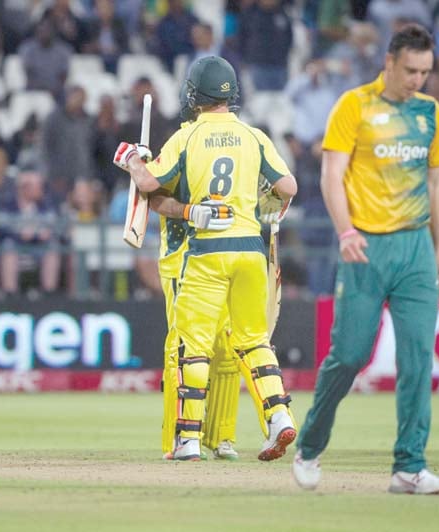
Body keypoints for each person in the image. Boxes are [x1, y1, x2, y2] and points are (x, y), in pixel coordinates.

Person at [113, 55, 298, 462]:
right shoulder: (254, 135)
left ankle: (190, 440)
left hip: (207, 251)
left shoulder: (188, 136)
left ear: (195, 94)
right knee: (253, 340)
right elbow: (289, 185)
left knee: (193, 346)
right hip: (250, 250)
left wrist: (130, 158)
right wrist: (266, 200)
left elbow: (147, 182)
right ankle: (279, 417)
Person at [291, 24, 439, 494]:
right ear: (389, 62)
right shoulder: (355, 105)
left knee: (419, 357)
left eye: (425, 71)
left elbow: (437, 181)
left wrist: (438, 248)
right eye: (410, 70)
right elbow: (331, 173)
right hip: (366, 246)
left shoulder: (429, 111)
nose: (417, 80)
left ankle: (409, 466)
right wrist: (345, 230)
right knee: (351, 355)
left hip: (415, 248)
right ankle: (310, 445)